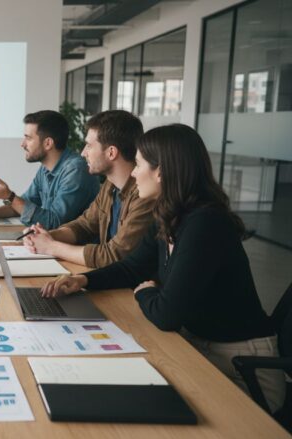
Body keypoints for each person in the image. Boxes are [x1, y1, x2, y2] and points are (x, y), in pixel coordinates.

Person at [41, 124, 285, 411]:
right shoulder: (169, 215)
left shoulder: (205, 223)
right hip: (198, 345)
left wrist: (144, 293)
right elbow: (132, 268)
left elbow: (167, 314)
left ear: (161, 171)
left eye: (140, 164)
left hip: (241, 367)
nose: (132, 172)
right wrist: (83, 281)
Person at [23, 110, 154, 267]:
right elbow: (84, 225)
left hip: (130, 288)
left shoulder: (144, 195)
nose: (83, 152)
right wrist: (45, 236)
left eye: (89, 146)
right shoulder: (110, 186)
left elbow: (114, 255)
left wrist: (52, 247)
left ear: (111, 152)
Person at [0, 110, 99, 228]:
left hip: (74, 247)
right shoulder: (45, 169)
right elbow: (24, 204)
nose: (22, 144)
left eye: (28, 138)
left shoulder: (76, 170)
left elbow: (53, 222)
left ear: (48, 143)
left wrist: (10, 196)